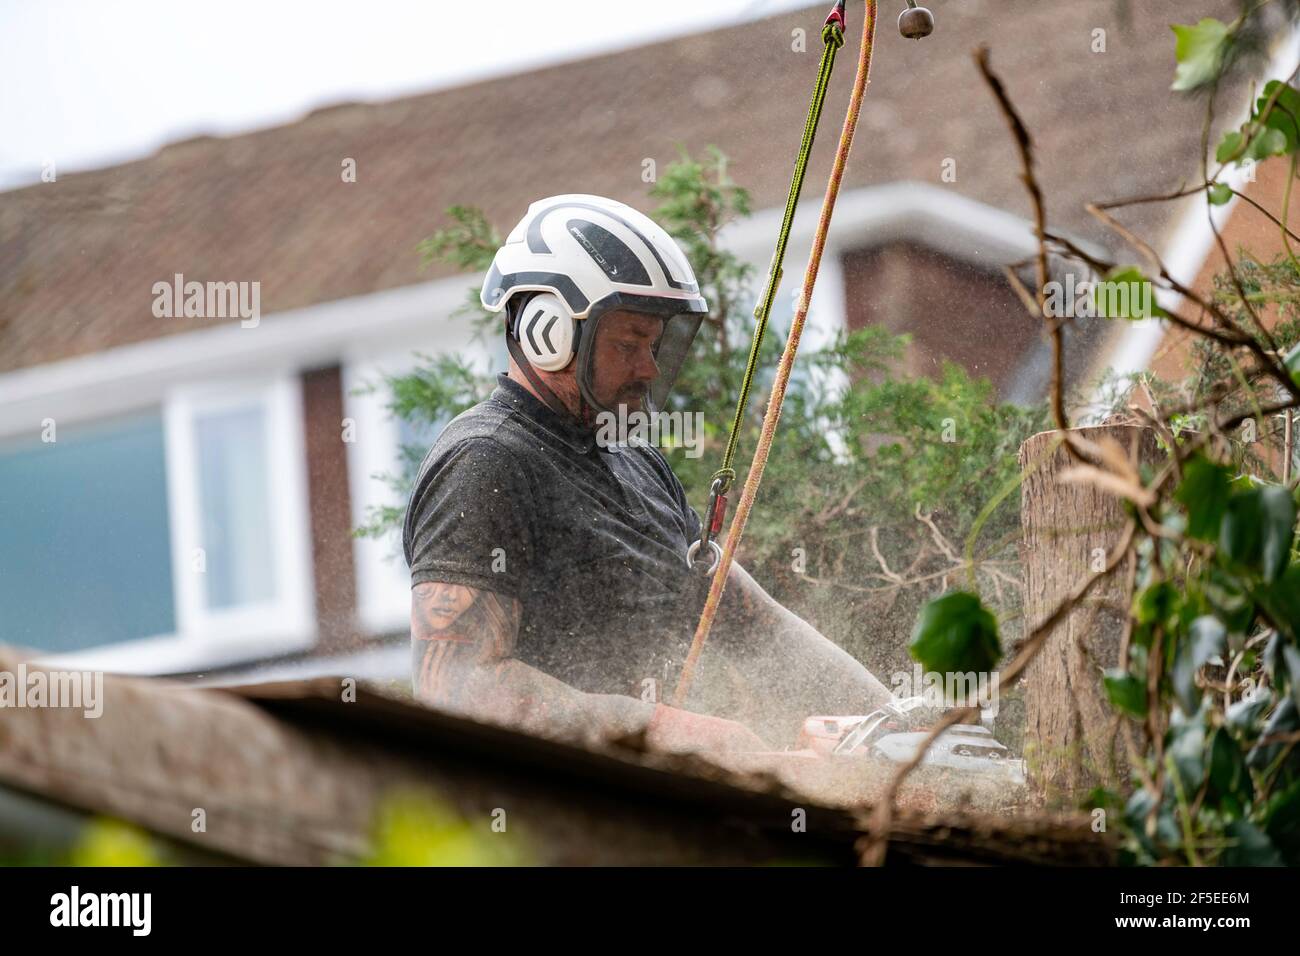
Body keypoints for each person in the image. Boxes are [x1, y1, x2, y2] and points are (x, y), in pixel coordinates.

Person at [403, 194, 892, 753]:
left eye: (655, 345)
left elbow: (763, 632)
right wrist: (672, 734)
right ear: (548, 332)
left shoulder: (636, 461)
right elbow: (458, 689)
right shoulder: (487, 461)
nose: (650, 367)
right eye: (629, 343)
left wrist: (895, 722)